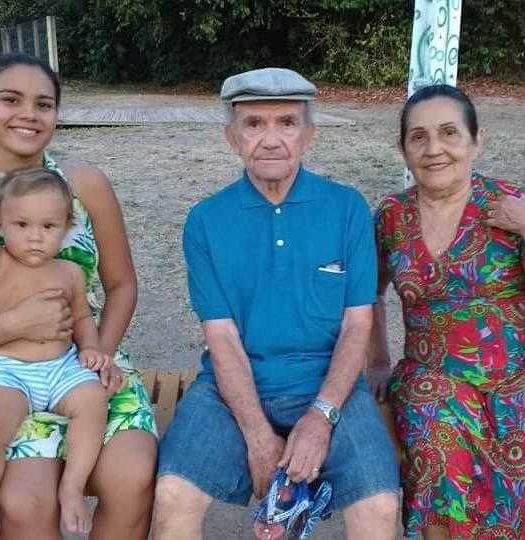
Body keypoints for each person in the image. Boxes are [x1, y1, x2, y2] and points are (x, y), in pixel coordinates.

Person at [155, 67, 399, 540]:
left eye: (286, 122)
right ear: (232, 138)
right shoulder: (206, 221)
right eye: (254, 124)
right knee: (173, 497)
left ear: (308, 134)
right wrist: (256, 434)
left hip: (331, 387)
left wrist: (321, 418)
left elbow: (357, 326)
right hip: (233, 389)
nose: (271, 140)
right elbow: (221, 336)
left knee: (379, 506)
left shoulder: (346, 208)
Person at [0, 52, 157, 540]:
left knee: (132, 474)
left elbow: (121, 285)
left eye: (44, 104)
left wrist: (99, 352)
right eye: (10, 99)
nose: (28, 114)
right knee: (23, 502)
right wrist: (13, 324)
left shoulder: (85, 185)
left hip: (78, 361)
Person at [370, 84, 525, 539]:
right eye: (418, 137)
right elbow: (368, 293)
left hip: (514, 377)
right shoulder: (392, 216)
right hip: (431, 377)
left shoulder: (511, 203)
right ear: (402, 149)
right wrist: (377, 360)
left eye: (449, 132)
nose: (434, 148)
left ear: (478, 141)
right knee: (436, 431)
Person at [0, 168, 111, 538]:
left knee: (93, 400)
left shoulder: (70, 272)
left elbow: (82, 318)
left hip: (60, 367)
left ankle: (72, 486)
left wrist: (91, 347)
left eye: (48, 226)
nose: (35, 237)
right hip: (6, 369)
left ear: (67, 227)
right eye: (21, 224)